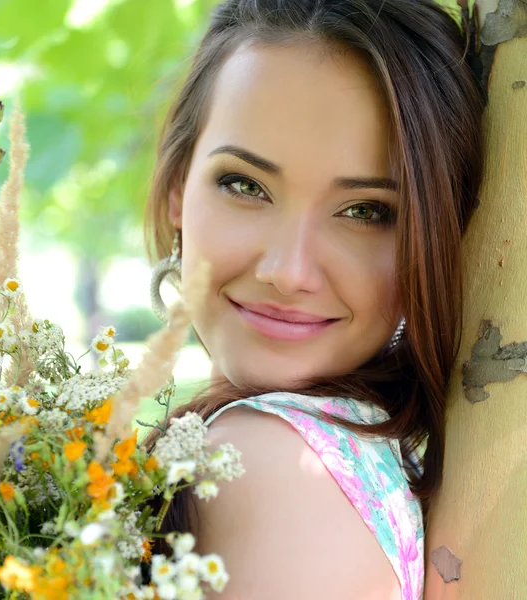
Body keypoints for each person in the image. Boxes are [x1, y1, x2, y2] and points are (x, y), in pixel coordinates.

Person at [142, 0, 485, 598]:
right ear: (178, 187)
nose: (288, 271)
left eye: (366, 212)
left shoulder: (262, 464)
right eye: (245, 185)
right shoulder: (352, 456)